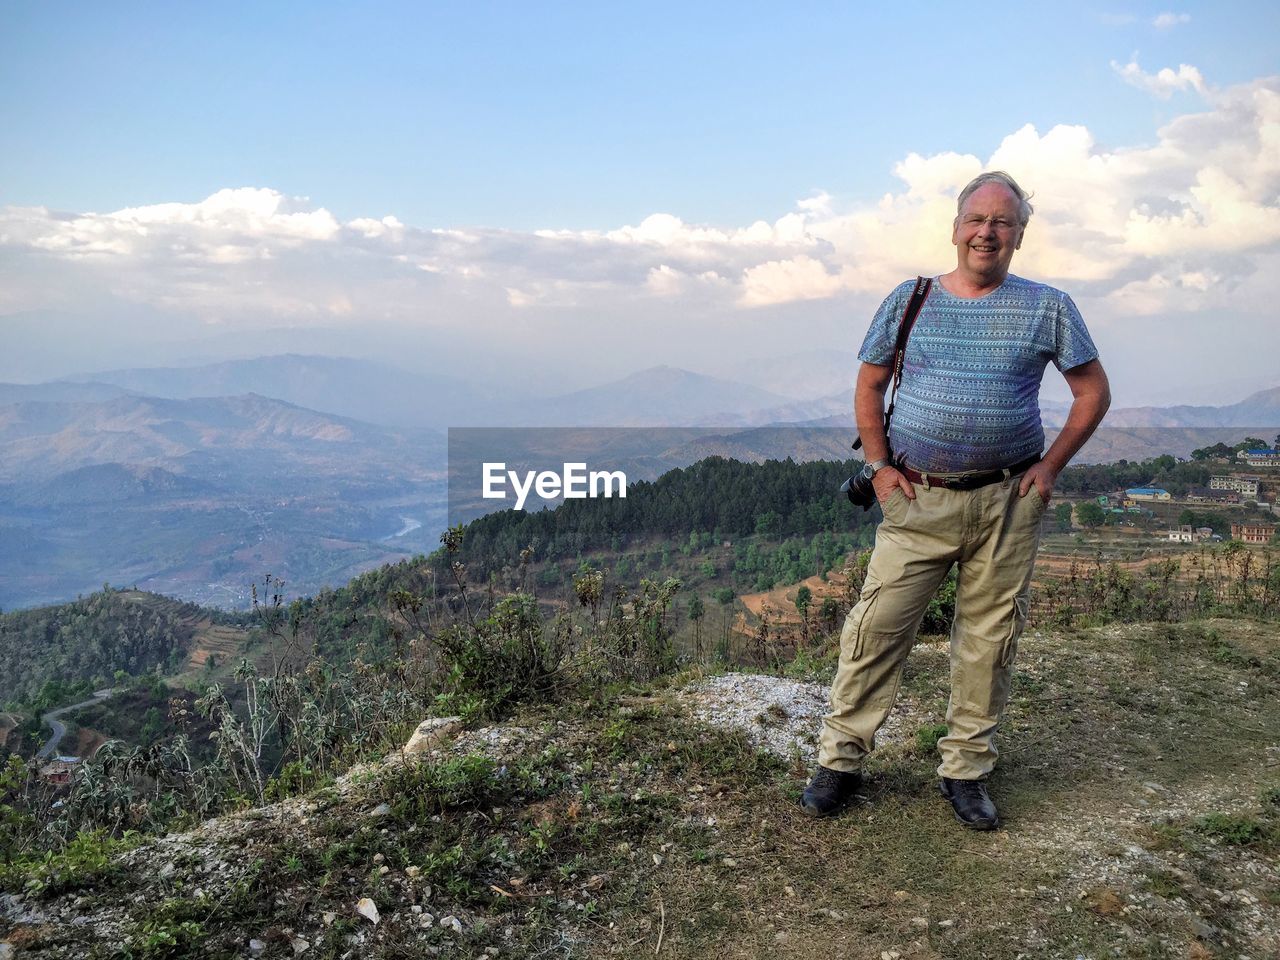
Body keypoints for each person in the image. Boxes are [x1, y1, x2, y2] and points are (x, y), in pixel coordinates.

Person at [802, 171, 1110, 828]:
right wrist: (880, 466)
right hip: (919, 500)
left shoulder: (1048, 306)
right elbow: (869, 383)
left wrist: (1052, 466)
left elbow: (1092, 392)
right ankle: (840, 759)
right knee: (876, 629)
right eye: (977, 219)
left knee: (989, 641)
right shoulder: (910, 298)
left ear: (1019, 236)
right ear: (956, 228)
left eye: (1003, 222)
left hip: (1008, 500)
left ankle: (966, 770)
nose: (987, 232)